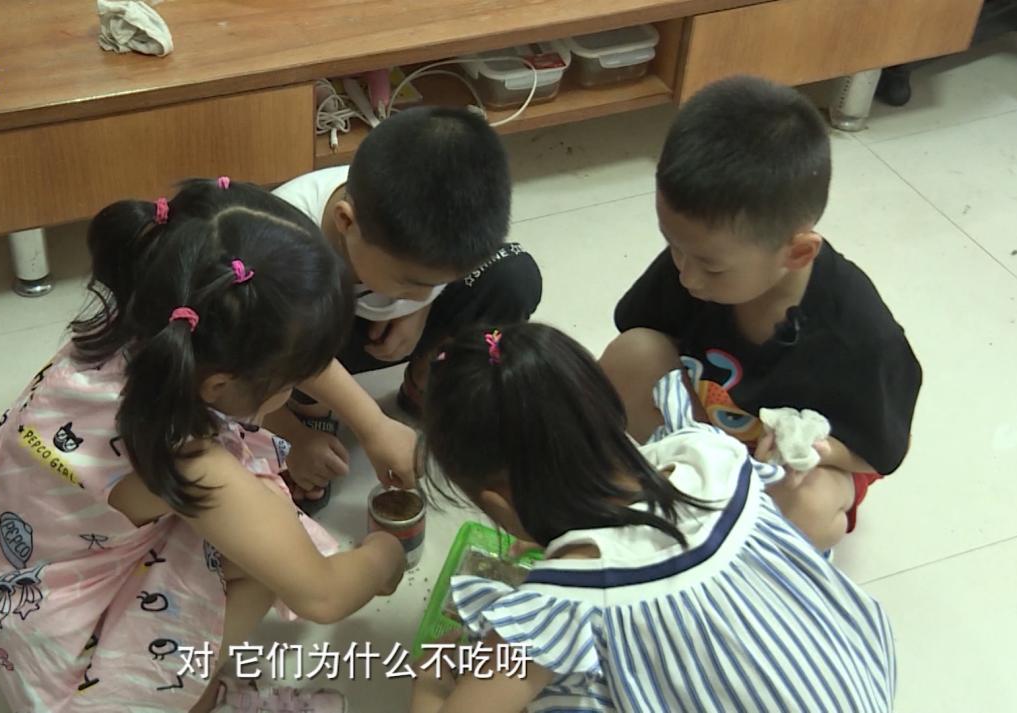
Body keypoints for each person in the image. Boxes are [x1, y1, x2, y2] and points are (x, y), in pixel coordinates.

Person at [0, 178, 405, 713]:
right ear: (220, 385)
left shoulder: (152, 323)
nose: (295, 390)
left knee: (259, 530)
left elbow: (274, 344)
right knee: (271, 551)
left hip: (23, 571)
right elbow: (321, 593)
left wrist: (373, 424)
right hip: (65, 665)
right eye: (289, 384)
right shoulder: (187, 460)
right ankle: (194, 702)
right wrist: (384, 557)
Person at [411, 323, 896, 712]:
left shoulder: (561, 604)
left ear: (498, 504)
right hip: (856, 684)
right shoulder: (713, 455)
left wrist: (430, 679)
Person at [602, 75, 922, 551]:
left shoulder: (861, 335)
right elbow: (639, 347)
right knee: (632, 355)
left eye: (711, 266)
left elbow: (884, 449)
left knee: (806, 506)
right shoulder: (699, 255)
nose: (686, 275)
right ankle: (675, 497)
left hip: (797, 461)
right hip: (714, 419)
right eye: (673, 247)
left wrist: (814, 448)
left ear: (797, 253)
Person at [267, 105, 543, 510]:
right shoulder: (282, 240)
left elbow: (437, 275)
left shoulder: (422, 223)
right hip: (301, 343)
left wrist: (420, 307)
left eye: (434, 283)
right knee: (284, 330)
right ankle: (304, 415)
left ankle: (429, 384)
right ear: (346, 222)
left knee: (513, 275)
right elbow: (238, 357)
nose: (419, 293)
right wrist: (362, 427)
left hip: (372, 323)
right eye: (412, 283)